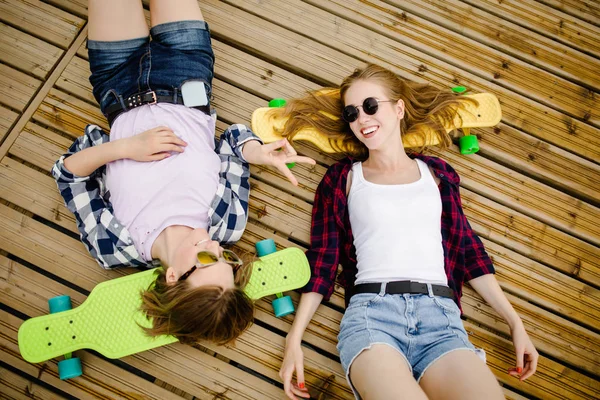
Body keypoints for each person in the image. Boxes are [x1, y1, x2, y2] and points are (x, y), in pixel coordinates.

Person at [51, 0, 315, 346]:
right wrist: (259, 153)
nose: (214, 246)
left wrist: (126, 148)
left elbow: (68, 174)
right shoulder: (227, 223)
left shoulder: (113, 245)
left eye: (207, 259)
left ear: (173, 276)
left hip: (116, 81)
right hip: (186, 69)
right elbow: (234, 142)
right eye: (226, 259)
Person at [277, 64, 539, 399]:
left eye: (371, 106)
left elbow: (470, 251)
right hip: (373, 316)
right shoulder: (342, 180)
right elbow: (324, 262)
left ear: (398, 108)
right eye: (352, 113)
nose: (362, 119)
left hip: (441, 320)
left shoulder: (438, 174)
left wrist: (515, 323)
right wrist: (294, 339)